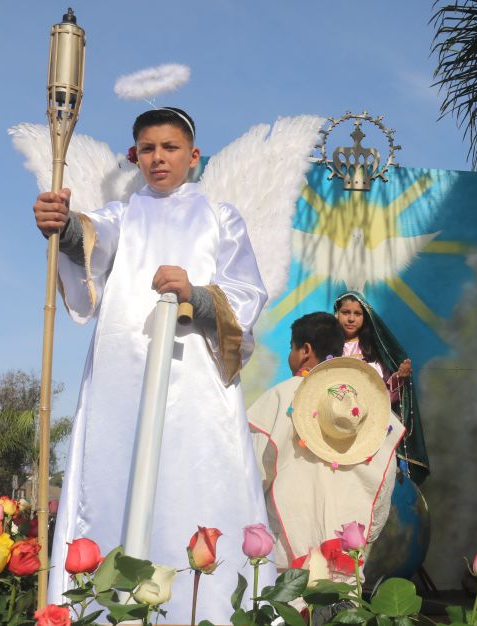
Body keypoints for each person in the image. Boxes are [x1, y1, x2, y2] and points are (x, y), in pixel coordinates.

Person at [33, 107, 274, 622]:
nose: (158, 158)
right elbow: (93, 240)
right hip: (122, 380)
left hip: (196, 384)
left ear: (194, 155)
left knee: (196, 484)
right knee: (115, 480)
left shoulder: (220, 218)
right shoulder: (124, 215)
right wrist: (64, 226)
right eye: (147, 149)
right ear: (133, 156)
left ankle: (205, 609)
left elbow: (248, 293)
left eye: (169, 147)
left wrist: (198, 296)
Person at [248, 312, 404, 582]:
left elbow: (250, 480)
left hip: (287, 557)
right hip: (347, 562)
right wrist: (361, 539)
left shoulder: (279, 398)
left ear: (305, 351)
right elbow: (382, 490)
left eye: (291, 348)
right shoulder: (373, 411)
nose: (291, 355)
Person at [333, 292, 429, 483]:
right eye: (345, 312)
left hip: (372, 427)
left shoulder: (374, 350)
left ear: (365, 317)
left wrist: (399, 378)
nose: (351, 318)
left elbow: (385, 395)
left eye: (357, 314)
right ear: (337, 313)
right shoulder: (328, 348)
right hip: (336, 425)